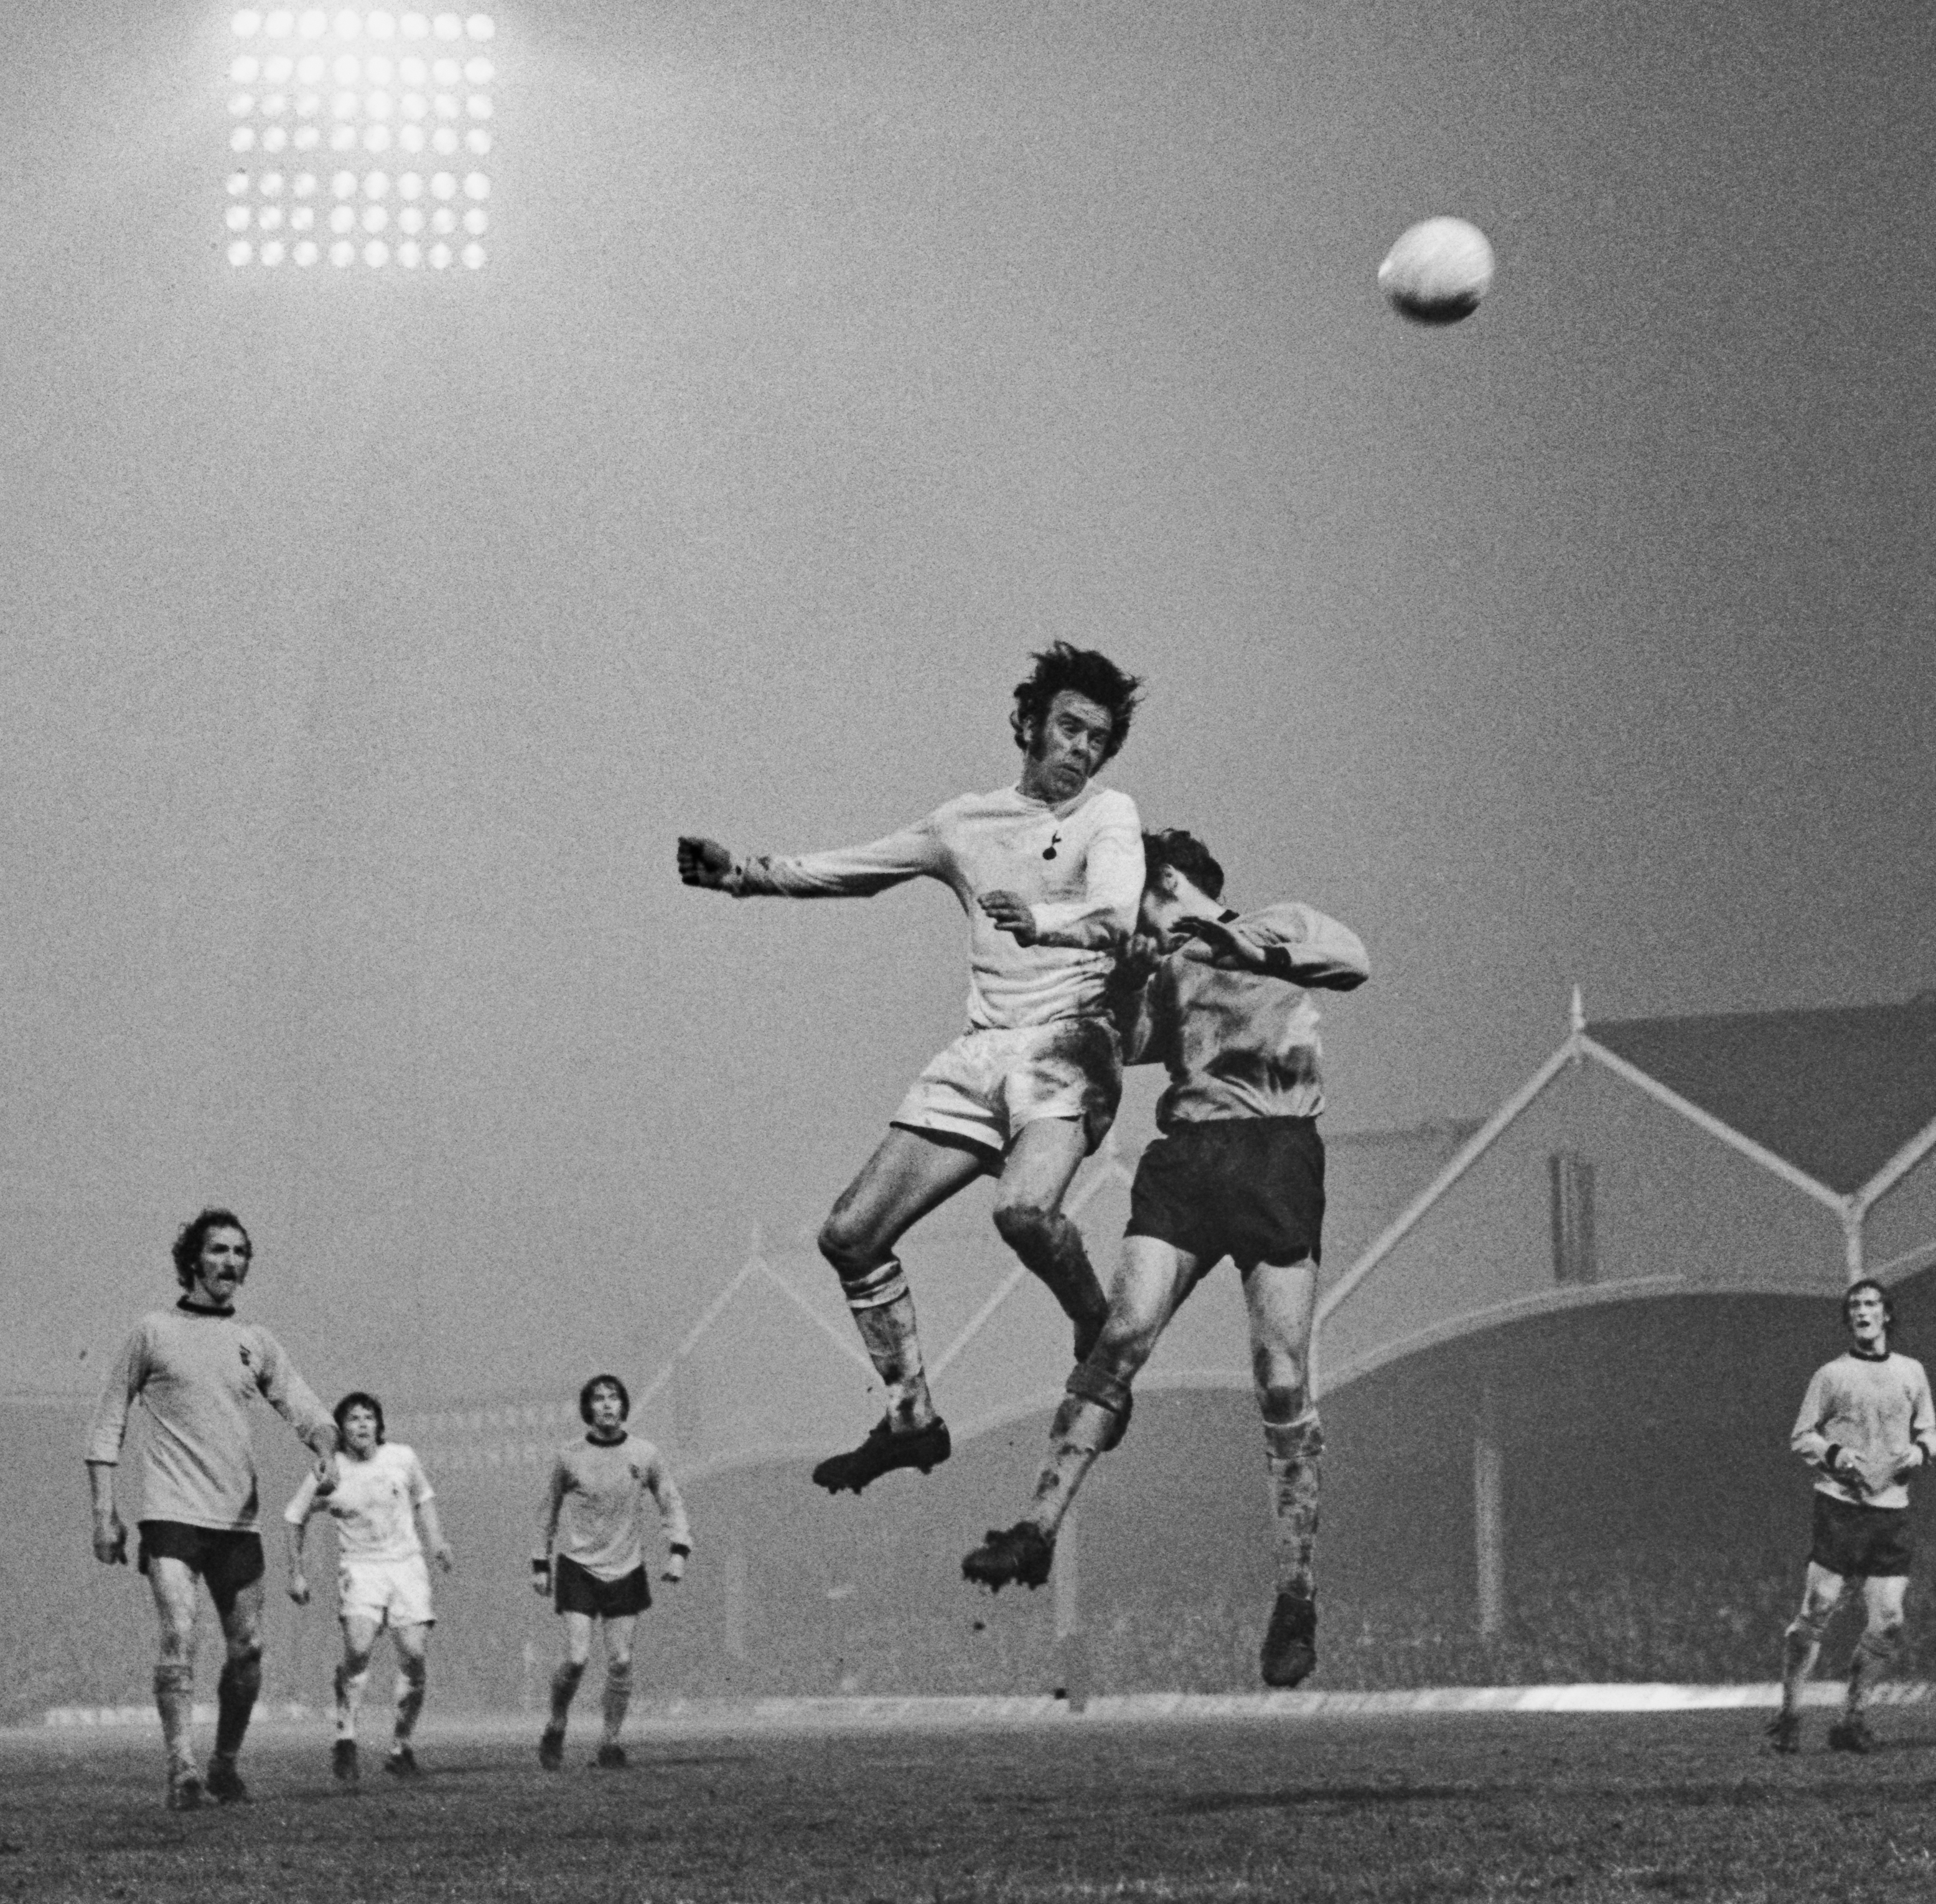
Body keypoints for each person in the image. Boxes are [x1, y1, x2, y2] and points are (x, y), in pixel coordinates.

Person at [677, 642, 1147, 1494]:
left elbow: (1116, 912)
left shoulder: (1109, 816)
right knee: (849, 1234)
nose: (1080, 749)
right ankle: (911, 1418)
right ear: (1029, 725)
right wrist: (745, 874)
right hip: (981, 1052)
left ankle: (1101, 1336)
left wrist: (1042, 921)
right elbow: (860, 870)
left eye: (1097, 738)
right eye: (1069, 728)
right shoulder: (963, 822)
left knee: (1025, 1213)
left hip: (1070, 1043)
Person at [959, 828, 1369, 1689]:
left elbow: (1351, 961)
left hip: (1276, 1151)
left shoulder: (1279, 925)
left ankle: (1296, 1592)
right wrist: (1095, 967)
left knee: (1282, 1376)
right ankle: (1037, 1522)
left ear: (1171, 883)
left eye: (1135, 894)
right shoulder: (1164, 966)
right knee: (1122, 1334)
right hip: (1188, 1159)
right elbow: (1118, 1040)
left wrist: (1208, 923)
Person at [85, 1208, 338, 1810]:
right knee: (179, 1632)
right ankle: (182, 1770)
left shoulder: (256, 1343)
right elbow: (108, 1418)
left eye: (239, 1252)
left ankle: (224, 1764)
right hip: (170, 1513)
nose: (230, 1262)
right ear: (194, 1259)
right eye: (218, 1250)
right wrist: (105, 1511)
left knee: (248, 1651)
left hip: (237, 1519)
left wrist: (325, 1449)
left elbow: (306, 1407)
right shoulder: (153, 1332)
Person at [1765, 1281, 1936, 1755]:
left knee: (1889, 1621)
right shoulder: (1830, 1375)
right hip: (1840, 1506)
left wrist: (1919, 1452)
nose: (1864, 1311)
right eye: (1856, 1306)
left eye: (1872, 1304)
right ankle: (1789, 1715)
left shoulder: (1912, 1371)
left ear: (1887, 1315)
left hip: (1891, 1511)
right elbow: (1802, 1436)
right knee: (1819, 1607)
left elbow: (1931, 1433)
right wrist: (1838, 1453)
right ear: (1849, 1318)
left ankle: (1852, 1718)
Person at [283, 1390, 452, 1784]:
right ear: (340, 1429)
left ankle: (401, 1747)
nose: (362, 1424)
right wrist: (297, 1572)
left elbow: (424, 1500)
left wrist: (437, 1543)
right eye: (354, 1419)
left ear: (379, 1424)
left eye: (369, 1417)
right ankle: (345, 1736)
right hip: (360, 1568)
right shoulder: (329, 1470)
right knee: (359, 1649)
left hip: (407, 1567)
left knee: (413, 1655)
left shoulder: (402, 1458)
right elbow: (294, 1518)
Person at [535, 1372, 691, 1770]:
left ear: (624, 1405)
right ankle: (556, 1723)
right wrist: (540, 1561)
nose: (606, 1405)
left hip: (626, 1566)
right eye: (599, 1398)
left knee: (620, 1660)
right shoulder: (569, 1456)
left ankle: (611, 1742)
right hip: (578, 1566)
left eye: (613, 1397)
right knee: (576, 1658)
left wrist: (678, 1550)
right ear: (588, 1408)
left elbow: (670, 1501)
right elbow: (547, 1511)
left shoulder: (645, 1454)